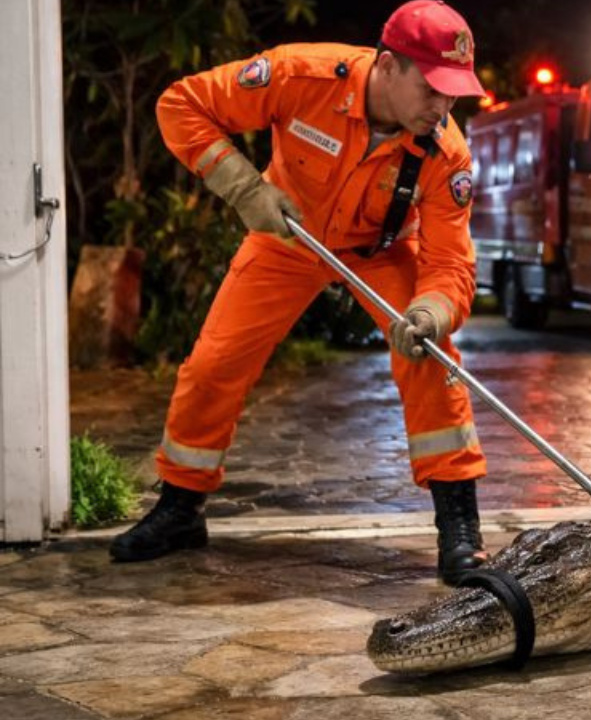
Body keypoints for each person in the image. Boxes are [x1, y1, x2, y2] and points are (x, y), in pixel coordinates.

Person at [110, 0, 492, 587]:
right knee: (215, 364)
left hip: (382, 250)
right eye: (432, 89)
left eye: (453, 94)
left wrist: (431, 311)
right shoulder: (301, 76)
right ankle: (180, 508)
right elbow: (181, 104)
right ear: (389, 66)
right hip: (287, 236)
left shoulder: (446, 153)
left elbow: (449, 264)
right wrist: (243, 188)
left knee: (430, 358)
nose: (442, 107)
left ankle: (459, 525)